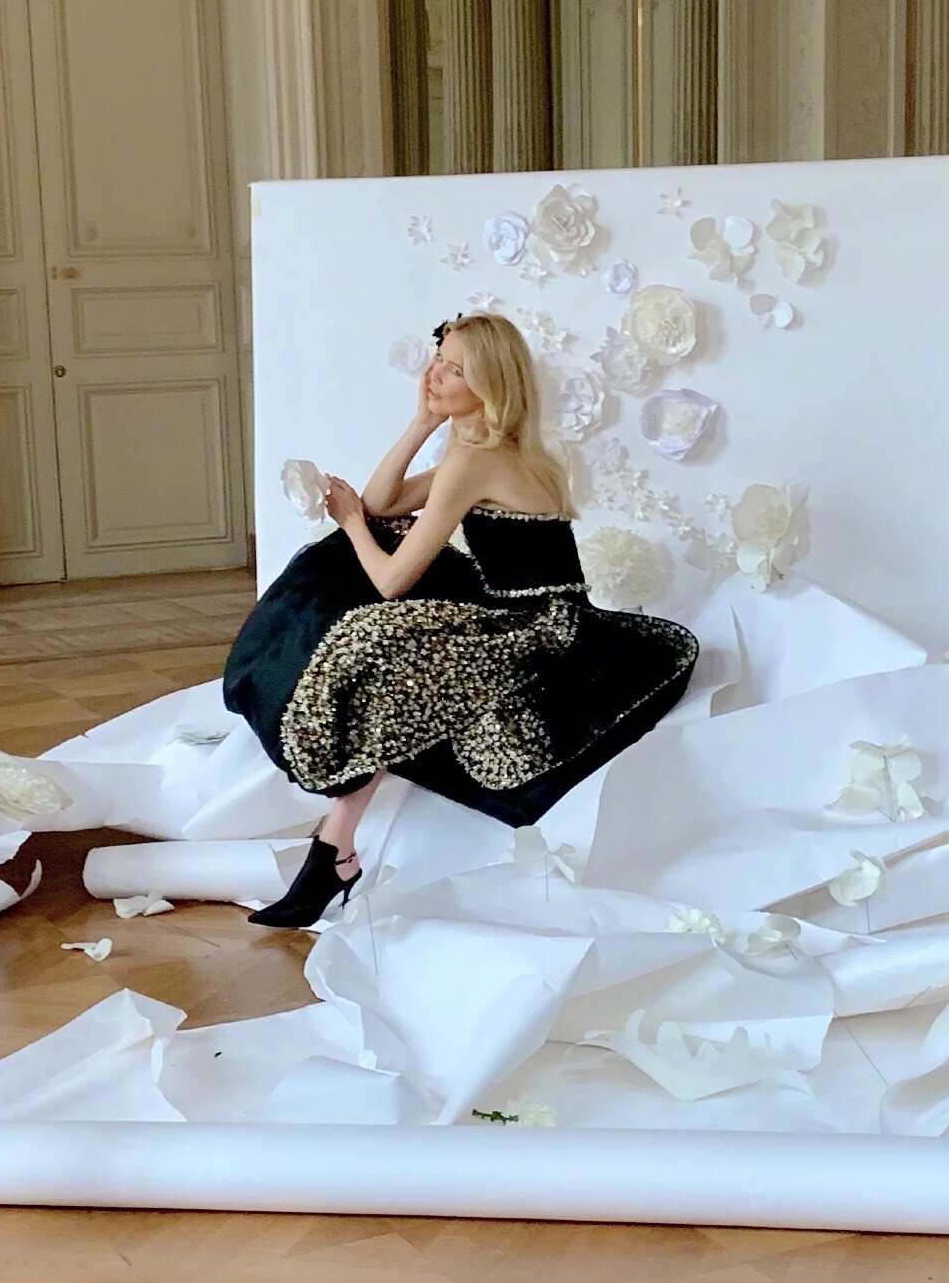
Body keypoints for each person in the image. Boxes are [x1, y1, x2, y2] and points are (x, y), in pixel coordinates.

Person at [225, 313, 698, 928]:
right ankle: (333, 851)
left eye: (453, 371)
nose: (434, 376)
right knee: (366, 586)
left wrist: (350, 523)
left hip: (541, 629)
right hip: (522, 608)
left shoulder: (476, 461)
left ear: (491, 384)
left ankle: (332, 851)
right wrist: (421, 423)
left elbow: (390, 579)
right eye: (438, 361)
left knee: (373, 633)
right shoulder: (485, 452)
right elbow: (382, 503)